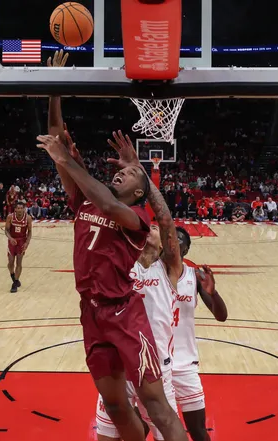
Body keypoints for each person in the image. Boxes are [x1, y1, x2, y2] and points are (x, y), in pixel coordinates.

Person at [38, 50, 187, 441]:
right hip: (91, 313)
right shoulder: (85, 198)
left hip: (125, 314)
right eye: (120, 171)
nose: (121, 174)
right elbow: (56, 137)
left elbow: (106, 199)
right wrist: (55, 88)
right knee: (117, 406)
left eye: (130, 174)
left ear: (141, 191)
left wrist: (68, 162)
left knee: (157, 406)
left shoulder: (135, 220)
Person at [95, 131, 184, 441]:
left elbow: (166, 221)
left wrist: (144, 178)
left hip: (157, 372)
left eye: (155, 230)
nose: (149, 232)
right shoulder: (122, 262)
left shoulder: (169, 267)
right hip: (120, 367)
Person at [172, 227, 227, 441]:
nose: (176, 241)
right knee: (144, 428)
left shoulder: (194, 276)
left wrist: (213, 293)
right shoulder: (148, 271)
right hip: (154, 365)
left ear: (187, 248)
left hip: (185, 364)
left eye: (181, 239)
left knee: (198, 431)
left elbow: (221, 315)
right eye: (171, 237)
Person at [5, 201, 31, 293]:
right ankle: (12, 275)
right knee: (11, 262)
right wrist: (10, 238)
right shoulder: (10, 217)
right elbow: (6, 231)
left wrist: (27, 243)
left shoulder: (28, 218)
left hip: (22, 241)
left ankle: (15, 283)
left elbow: (30, 232)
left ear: (24, 209)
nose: (19, 210)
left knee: (19, 262)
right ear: (15, 209)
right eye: (18, 208)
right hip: (12, 240)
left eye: (21, 208)